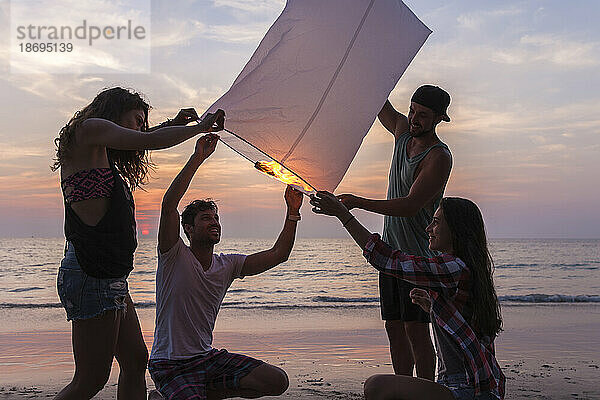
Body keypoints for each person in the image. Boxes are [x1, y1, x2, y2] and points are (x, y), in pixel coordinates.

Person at [51, 86, 224, 400]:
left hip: (109, 277)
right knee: (90, 380)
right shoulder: (88, 130)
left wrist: (174, 122)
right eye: (136, 119)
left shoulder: (100, 148)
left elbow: (140, 138)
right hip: (90, 275)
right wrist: (197, 128)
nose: (141, 127)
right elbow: (145, 141)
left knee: (135, 360)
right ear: (114, 112)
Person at [147, 133, 302, 399]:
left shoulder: (227, 265)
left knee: (277, 381)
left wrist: (292, 211)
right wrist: (198, 157)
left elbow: (279, 254)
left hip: (207, 359)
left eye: (216, 218)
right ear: (188, 229)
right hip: (170, 364)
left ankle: (207, 392)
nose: (214, 223)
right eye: (206, 218)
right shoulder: (173, 255)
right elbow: (169, 205)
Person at [310, 192, 505, 400]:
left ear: (456, 230)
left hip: (466, 390)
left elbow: (389, 261)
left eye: (436, 223)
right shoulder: (467, 268)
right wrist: (434, 307)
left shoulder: (454, 267)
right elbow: (464, 326)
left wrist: (344, 216)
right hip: (479, 387)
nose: (428, 229)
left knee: (376, 386)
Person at [337, 85, 453, 379]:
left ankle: (425, 390)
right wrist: (367, 73)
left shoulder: (438, 157)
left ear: (440, 118)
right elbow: (378, 101)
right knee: (394, 327)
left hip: (418, 257)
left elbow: (411, 205)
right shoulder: (402, 132)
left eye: (423, 115)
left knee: (416, 328)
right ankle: (402, 386)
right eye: (413, 110)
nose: (414, 118)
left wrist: (358, 202)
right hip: (390, 254)